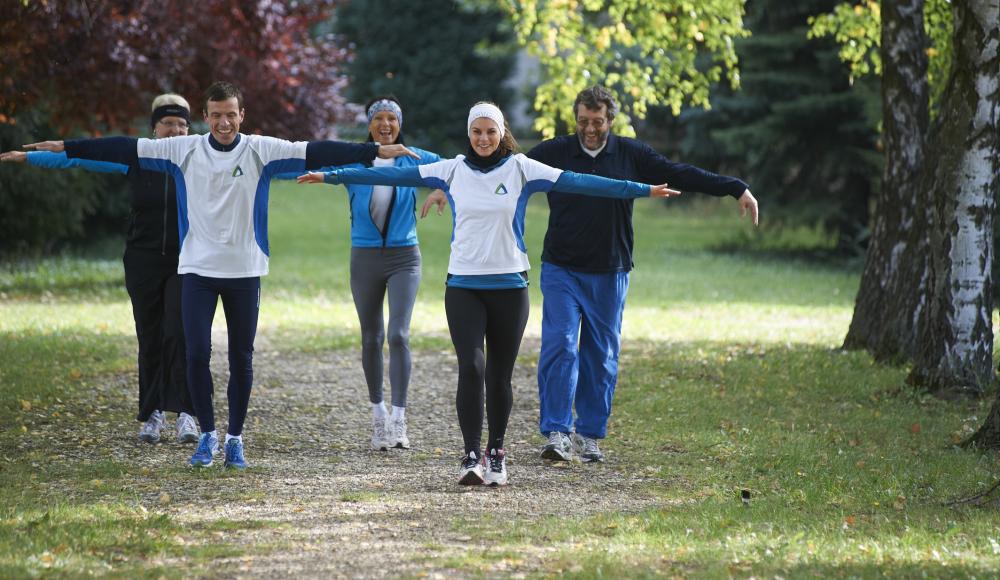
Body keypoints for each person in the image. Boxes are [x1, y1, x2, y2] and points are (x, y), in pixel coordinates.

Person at [19, 81, 418, 470]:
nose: (224, 123)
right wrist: (65, 146)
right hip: (197, 269)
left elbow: (316, 151)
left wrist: (372, 150)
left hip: (244, 270)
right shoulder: (183, 149)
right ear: (205, 117)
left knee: (242, 359)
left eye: (231, 115)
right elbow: (122, 147)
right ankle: (207, 434)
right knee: (196, 355)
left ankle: (235, 440)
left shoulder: (261, 149)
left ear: (241, 115)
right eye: (216, 115)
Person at [298, 102, 680, 486]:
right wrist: (329, 177)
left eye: (490, 132)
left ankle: (496, 453)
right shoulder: (451, 170)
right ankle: (469, 456)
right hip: (463, 285)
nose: (483, 139)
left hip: (510, 287)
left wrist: (642, 189)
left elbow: (581, 181)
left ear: (501, 133)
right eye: (477, 132)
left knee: (499, 376)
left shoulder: (520, 168)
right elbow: (387, 175)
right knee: (472, 369)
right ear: (469, 134)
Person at [526, 85, 757, 463]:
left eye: (597, 122)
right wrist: (445, 186)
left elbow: (678, 173)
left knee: (601, 356)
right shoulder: (555, 152)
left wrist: (735, 188)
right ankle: (556, 432)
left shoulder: (630, 153)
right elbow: (508, 173)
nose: (589, 129)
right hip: (561, 267)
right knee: (561, 345)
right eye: (583, 121)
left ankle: (589, 435)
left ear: (611, 121)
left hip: (610, 270)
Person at [1, 93, 200, 446]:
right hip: (142, 260)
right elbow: (79, 158)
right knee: (150, 335)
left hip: (187, 261)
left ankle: (187, 414)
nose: (176, 130)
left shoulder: (198, 161)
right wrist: (31, 157)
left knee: (180, 332)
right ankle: (152, 414)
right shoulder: (136, 158)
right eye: (169, 123)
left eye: (183, 124)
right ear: (154, 128)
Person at [277, 96, 443, 451]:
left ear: (400, 124)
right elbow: (333, 168)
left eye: (392, 119)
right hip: (365, 257)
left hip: (405, 257)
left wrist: (442, 190)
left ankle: (399, 419)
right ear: (369, 125)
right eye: (379, 119)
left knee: (399, 334)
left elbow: (453, 169)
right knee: (372, 338)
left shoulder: (413, 156)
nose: (386, 125)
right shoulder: (358, 157)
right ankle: (378, 416)